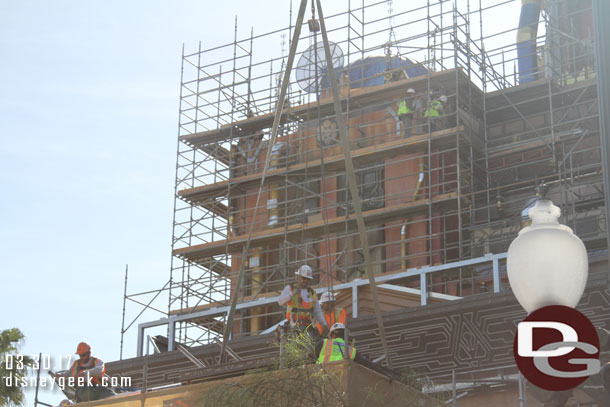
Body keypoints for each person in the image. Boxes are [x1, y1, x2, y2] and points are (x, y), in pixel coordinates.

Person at [278, 265, 328, 336]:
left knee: (310, 345)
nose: (305, 280)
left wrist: (324, 324)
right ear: (298, 277)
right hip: (293, 327)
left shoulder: (312, 293)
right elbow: (280, 302)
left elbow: (317, 311)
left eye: (307, 279)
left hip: (307, 327)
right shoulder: (290, 289)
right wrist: (291, 294)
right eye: (303, 278)